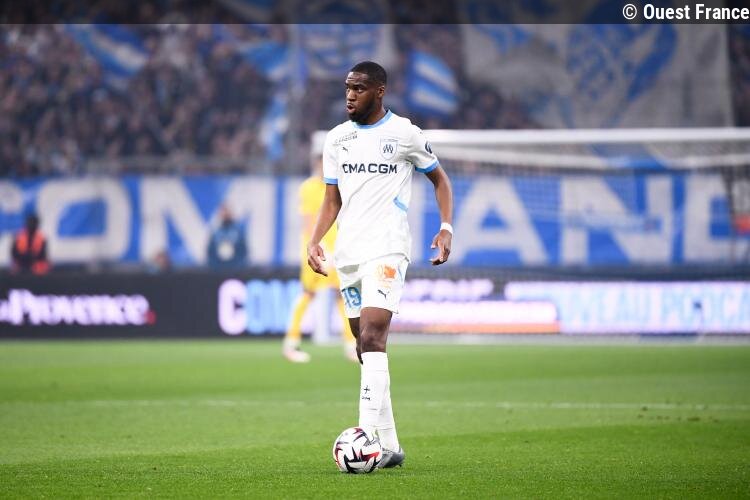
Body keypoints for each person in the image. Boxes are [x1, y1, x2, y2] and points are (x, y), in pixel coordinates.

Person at [307, 61, 454, 469]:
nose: (350, 95)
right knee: (363, 346)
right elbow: (332, 199)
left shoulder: (404, 133)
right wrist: (315, 240)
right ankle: (390, 446)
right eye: (347, 88)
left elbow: (440, 180)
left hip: (388, 249)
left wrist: (446, 228)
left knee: (373, 336)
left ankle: (365, 437)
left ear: (380, 91)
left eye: (359, 88)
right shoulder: (337, 139)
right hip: (349, 254)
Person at [283, 155, 358, 363]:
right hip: (316, 249)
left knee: (342, 295)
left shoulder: (337, 186)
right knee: (308, 293)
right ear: (316, 165)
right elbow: (308, 221)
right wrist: (320, 245)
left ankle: (351, 346)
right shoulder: (309, 188)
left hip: (337, 249)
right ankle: (291, 344)